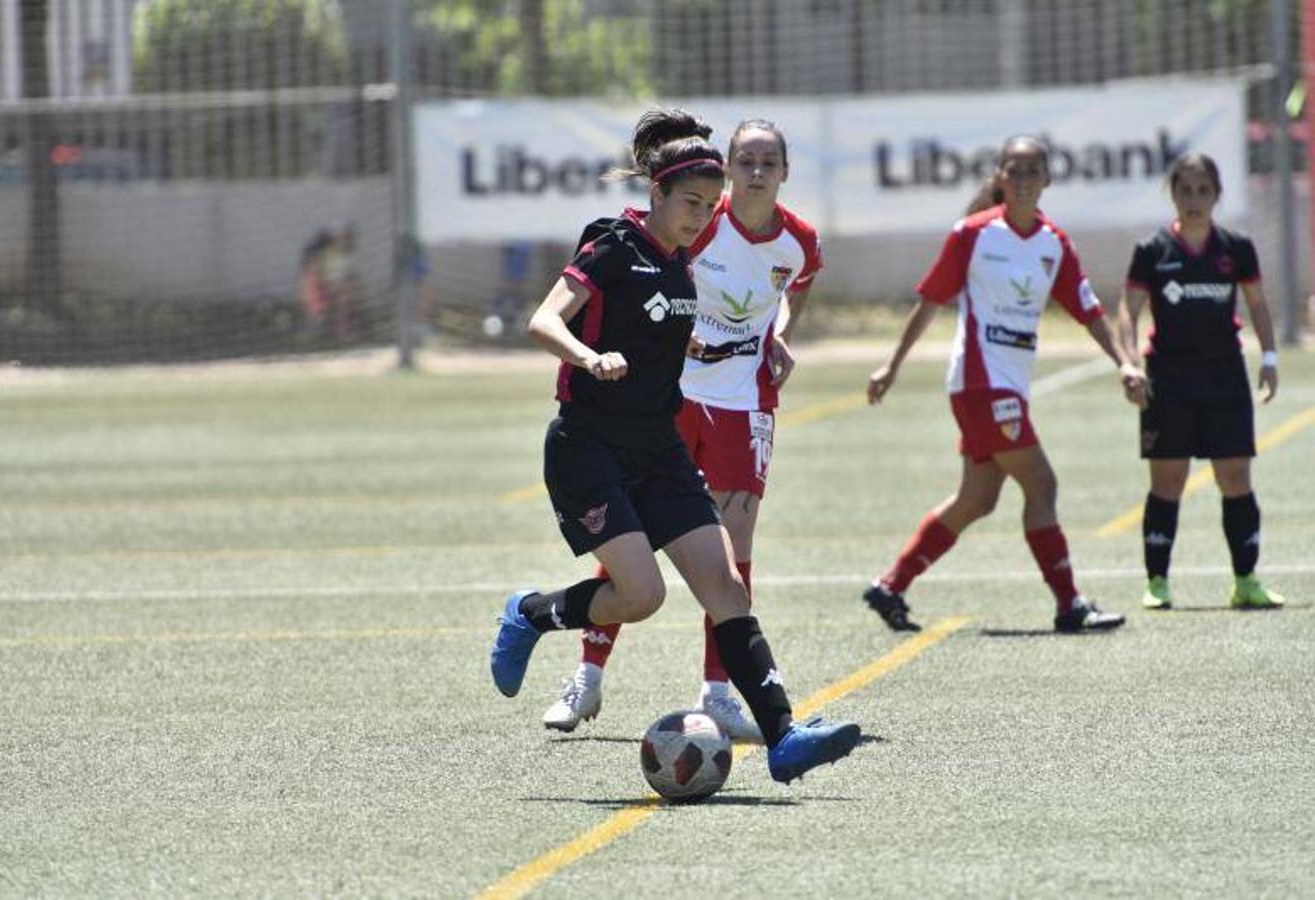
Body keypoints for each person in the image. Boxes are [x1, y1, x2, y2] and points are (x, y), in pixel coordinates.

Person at [489, 108, 860, 784]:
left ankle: (784, 737)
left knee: (725, 587)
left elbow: (670, 322)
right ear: (655, 193)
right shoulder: (610, 244)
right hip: (588, 448)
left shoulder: (683, 261)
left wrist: (697, 343)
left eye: (708, 206)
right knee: (641, 595)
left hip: (657, 451)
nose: (700, 216)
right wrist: (588, 354)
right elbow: (543, 320)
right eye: (689, 203)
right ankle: (532, 613)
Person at [542, 119, 823, 741]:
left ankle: (722, 695)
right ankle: (587, 673)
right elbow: (636, 294)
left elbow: (796, 290)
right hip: (672, 401)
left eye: (768, 162)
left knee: (731, 552)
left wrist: (778, 338)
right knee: (631, 548)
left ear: (784, 171)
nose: (755, 172)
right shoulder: (691, 222)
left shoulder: (799, 241)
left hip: (745, 401)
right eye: (745, 160)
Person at [861, 134, 1146, 634]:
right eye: (1012, 171)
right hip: (980, 385)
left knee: (978, 498)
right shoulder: (973, 234)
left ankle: (890, 586)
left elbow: (1090, 312)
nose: (1021, 180)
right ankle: (1069, 604)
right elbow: (929, 301)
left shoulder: (1053, 243)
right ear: (999, 177)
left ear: (1047, 179)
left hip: (1006, 387)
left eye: (1031, 170)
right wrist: (892, 365)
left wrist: (1125, 362)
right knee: (1042, 483)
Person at [1117, 153, 1285, 611]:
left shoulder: (1236, 248)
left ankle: (1246, 580)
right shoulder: (1152, 251)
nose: (1194, 201)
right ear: (1172, 194)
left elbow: (1258, 304)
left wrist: (1268, 357)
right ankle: (1157, 581)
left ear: (1217, 195)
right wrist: (1130, 364)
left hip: (1224, 378)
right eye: (1185, 191)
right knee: (1168, 480)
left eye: (1203, 191)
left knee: (1235, 476)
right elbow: (1127, 312)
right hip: (1168, 380)